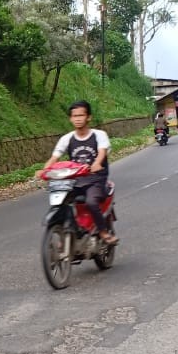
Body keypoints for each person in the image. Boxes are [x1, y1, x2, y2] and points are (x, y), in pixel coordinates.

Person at [43, 100, 118, 245]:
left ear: (88, 117)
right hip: (75, 180)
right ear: (70, 118)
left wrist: (96, 163)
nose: (77, 118)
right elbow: (54, 157)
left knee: (90, 202)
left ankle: (103, 232)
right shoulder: (67, 138)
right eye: (74, 116)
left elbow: (102, 152)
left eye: (81, 115)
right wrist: (44, 170)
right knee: (61, 201)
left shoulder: (99, 135)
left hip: (96, 179)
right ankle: (70, 229)